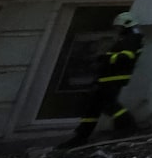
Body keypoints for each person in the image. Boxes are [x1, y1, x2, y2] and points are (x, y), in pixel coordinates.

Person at [60, 12, 144, 149]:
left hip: (114, 78)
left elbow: (127, 57)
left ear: (126, 25)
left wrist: (105, 58)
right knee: (94, 107)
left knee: (109, 105)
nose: (117, 30)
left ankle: (127, 125)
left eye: (119, 27)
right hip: (106, 78)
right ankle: (82, 135)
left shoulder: (132, 39)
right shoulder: (126, 39)